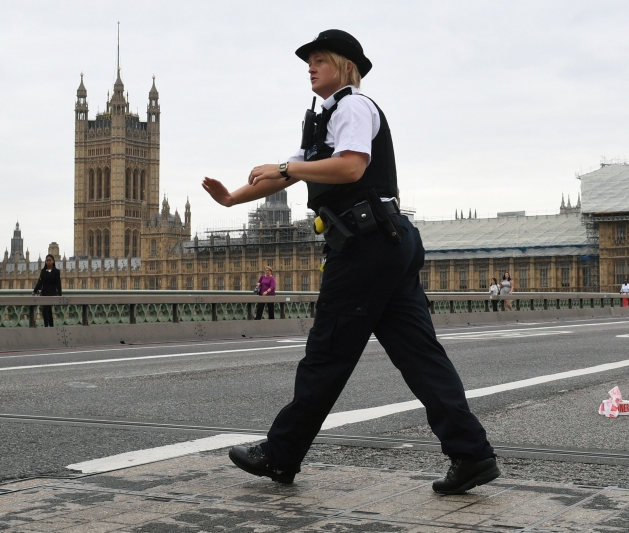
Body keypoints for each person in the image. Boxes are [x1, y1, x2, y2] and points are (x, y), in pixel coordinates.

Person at [202, 29, 498, 494]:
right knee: (420, 356)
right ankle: (471, 454)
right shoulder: (321, 121)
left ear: (345, 66)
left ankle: (281, 454)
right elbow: (286, 172)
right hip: (385, 243)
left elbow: (351, 166)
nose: (310, 67)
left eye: (319, 59)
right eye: (309, 61)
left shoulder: (354, 106)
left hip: (365, 245)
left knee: (327, 353)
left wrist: (286, 169)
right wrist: (232, 199)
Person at [32, 254, 61, 327]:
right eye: (47, 261)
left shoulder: (56, 271)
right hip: (44, 293)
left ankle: (46, 326)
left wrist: (59, 295)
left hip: (52, 294)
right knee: (48, 311)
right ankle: (50, 326)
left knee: (45, 310)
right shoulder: (43, 271)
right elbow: (40, 282)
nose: (48, 262)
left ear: (53, 262)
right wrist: (34, 291)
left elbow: (58, 284)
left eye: (50, 260)